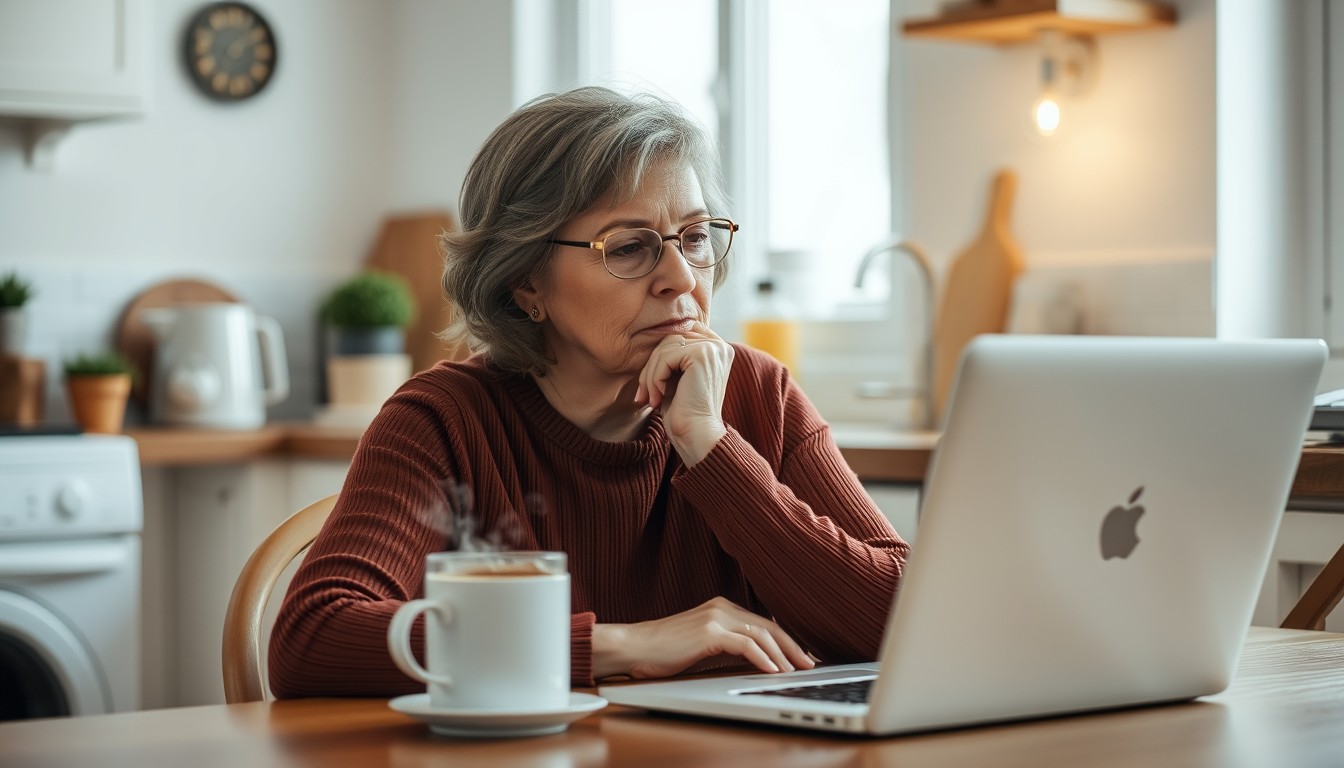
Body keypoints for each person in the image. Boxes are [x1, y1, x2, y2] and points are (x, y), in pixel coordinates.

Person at [269, 86, 910, 698]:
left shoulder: (756, 394)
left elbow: (905, 623)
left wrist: (711, 449)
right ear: (526, 283)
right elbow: (313, 635)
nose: (681, 276)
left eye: (693, 237)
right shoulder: (445, 421)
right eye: (629, 248)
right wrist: (622, 645)